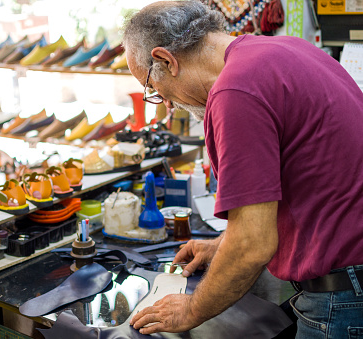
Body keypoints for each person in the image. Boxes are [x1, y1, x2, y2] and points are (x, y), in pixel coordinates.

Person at [124, 1, 363, 337]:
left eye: (151, 86)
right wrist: (225, 244)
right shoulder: (283, 49)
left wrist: (191, 310)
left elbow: (253, 244)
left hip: (344, 293)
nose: (163, 100)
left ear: (166, 60)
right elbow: (310, 184)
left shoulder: (235, 90)